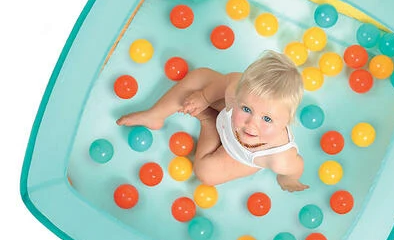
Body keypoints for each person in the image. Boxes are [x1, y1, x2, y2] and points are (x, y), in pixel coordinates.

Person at [117, 50, 309, 192]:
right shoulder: (236, 88)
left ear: (287, 122)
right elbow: (225, 83)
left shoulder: (280, 158)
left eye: (267, 119)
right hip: (228, 117)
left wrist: (289, 180)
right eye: (246, 109)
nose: (251, 124)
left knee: (206, 173)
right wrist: (204, 97)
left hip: (240, 155)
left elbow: (296, 167)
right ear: (240, 93)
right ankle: (155, 114)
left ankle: (208, 120)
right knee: (201, 77)